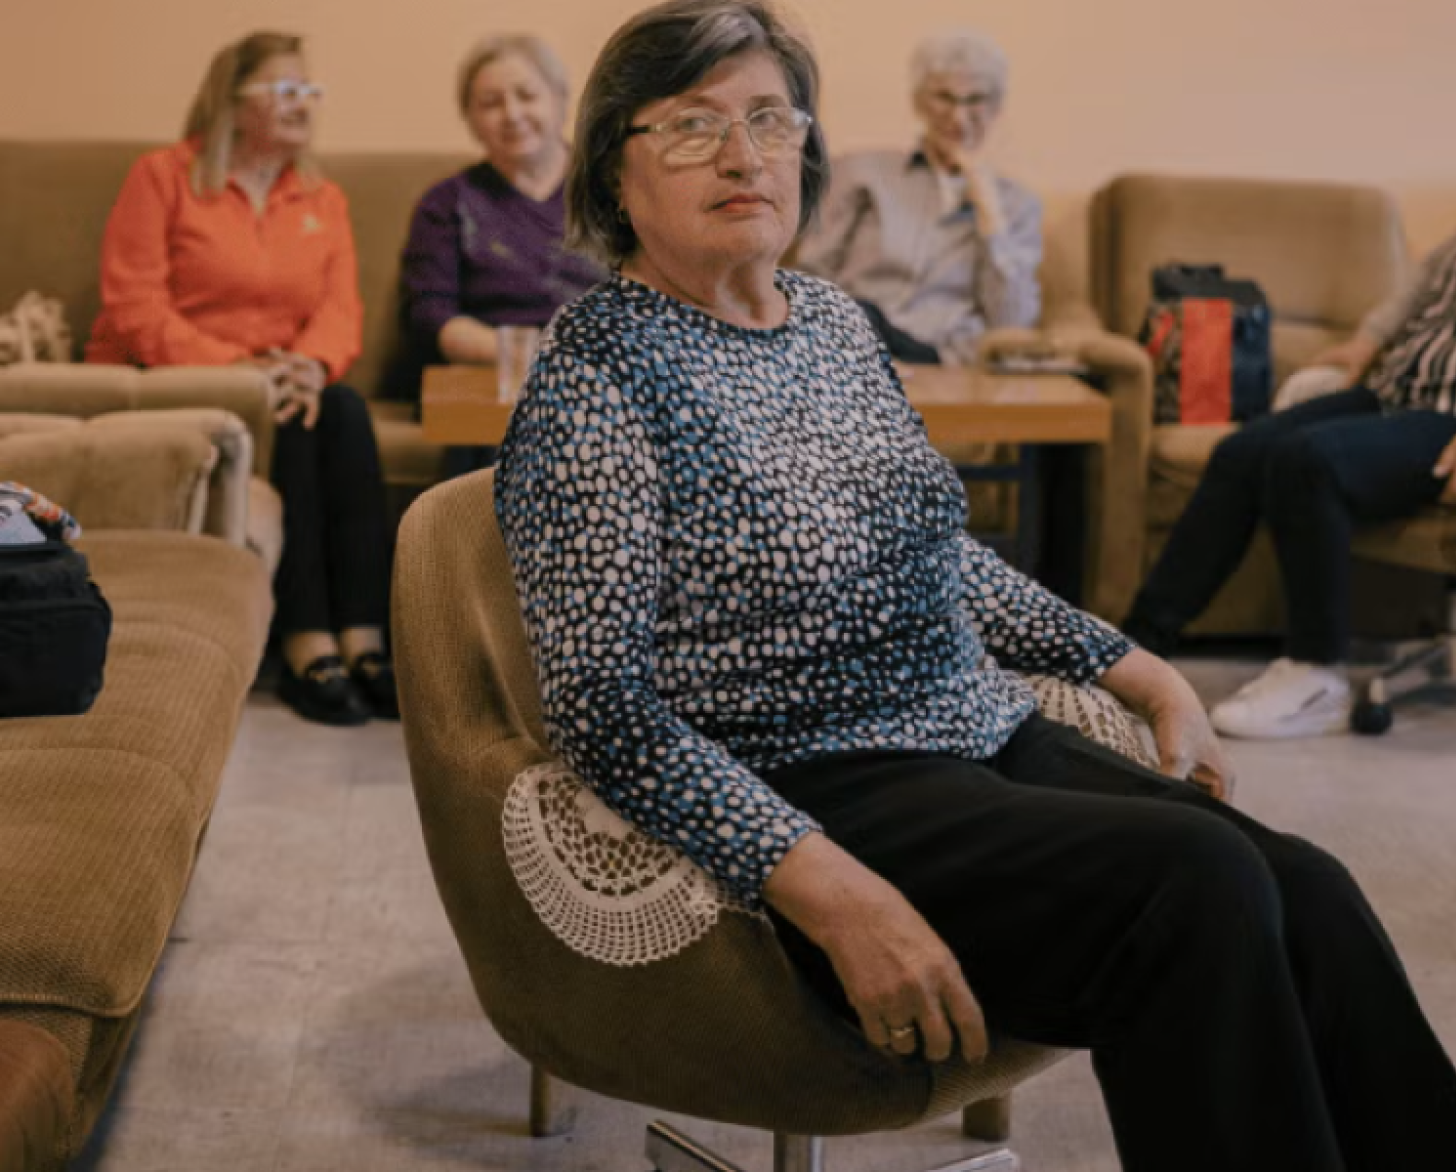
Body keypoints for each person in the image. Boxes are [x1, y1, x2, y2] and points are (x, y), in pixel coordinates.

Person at [493, 3, 1456, 1168]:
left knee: (1309, 885)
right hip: (811, 774)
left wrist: (1134, 663)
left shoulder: (835, 324)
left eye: (766, 118)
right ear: (613, 168)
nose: (743, 155)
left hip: (973, 728)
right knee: (1196, 884)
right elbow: (600, 709)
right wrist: (831, 890)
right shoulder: (596, 379)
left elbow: (939, 555)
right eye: (692, 128)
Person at [87, 31, 397, 727]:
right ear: (233, 99)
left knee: (340, 408)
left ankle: (365, 640)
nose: (304, 106)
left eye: (309, 92)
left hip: (282, 382)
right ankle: (305, 640)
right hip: (184, 376)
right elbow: (134, 308)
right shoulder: (164, 177)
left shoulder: (323, 197)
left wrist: (311, 365)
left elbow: (339, 309)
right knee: (293, 415)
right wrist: (237, 369)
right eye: (286, 90)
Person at [1122, 236, 1456, 739]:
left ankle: (1316, 673)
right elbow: (1410, 299)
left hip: (1445, 419)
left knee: (1308, 462)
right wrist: (1366, 343)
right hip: (1394, 391)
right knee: (1242, 452)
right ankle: (1139, 647)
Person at [399, 34, 605, 475]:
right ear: (471, 120)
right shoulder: (446, 203)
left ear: (561, 101)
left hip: (599, 372)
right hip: (489, 377)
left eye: (527, 96)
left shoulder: (611, 191)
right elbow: (430, 314)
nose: (512, 115)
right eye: (491, 103)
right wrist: (516, 353)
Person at [793, 28, 1040, 364]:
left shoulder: (1017, 206)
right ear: (920, 102)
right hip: (854, 337)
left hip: (938, 354)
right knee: (861, 316)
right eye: (944, 97)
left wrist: (990, 215)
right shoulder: (862, 172)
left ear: (995, 106)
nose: (958, 116)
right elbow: (812, 272)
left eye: (975, 99)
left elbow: (1012, 321)